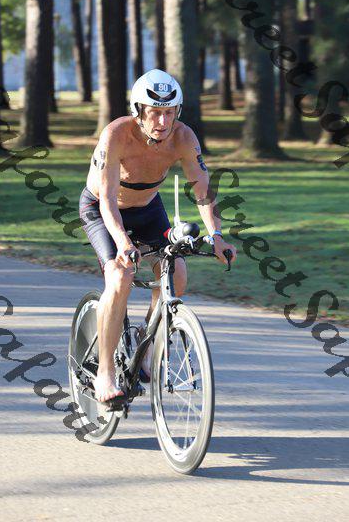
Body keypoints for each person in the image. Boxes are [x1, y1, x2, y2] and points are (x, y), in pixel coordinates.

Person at [79, 69, 236, 405]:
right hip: (103, 208)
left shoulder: (184, 137)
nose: (163, 122)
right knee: (120, 276)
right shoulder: (116, 134)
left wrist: (217, 236)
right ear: (138, 111)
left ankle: (147, 342)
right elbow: (107, 200)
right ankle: (105, 372)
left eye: (170, 112)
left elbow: (204, 191)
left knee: (176, 273)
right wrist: (123, 242)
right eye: (154, 113)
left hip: (149, 208)